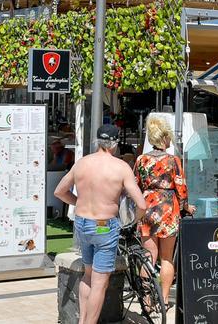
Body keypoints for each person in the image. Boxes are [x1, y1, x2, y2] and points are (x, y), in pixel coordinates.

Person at [54, 125, 148, 324]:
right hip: (104, 224)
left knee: (88, 275)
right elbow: (141, 204)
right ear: (114, 144)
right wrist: (133, 220)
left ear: (98, 141)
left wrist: (78, 202)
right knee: (99, 281)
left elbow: (60, 191)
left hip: (82, 222)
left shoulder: (82, 163)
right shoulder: (120, 167)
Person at [134, 116, 194, 310]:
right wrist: (186, 207)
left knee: (148, 256)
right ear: (164, 138)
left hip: (147, 208)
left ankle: (147, 301)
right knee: (166, 258)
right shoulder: (172, 160)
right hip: (168, 209)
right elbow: (181, 188)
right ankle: (165, 299)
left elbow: (135, 186)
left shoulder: (141, 160)